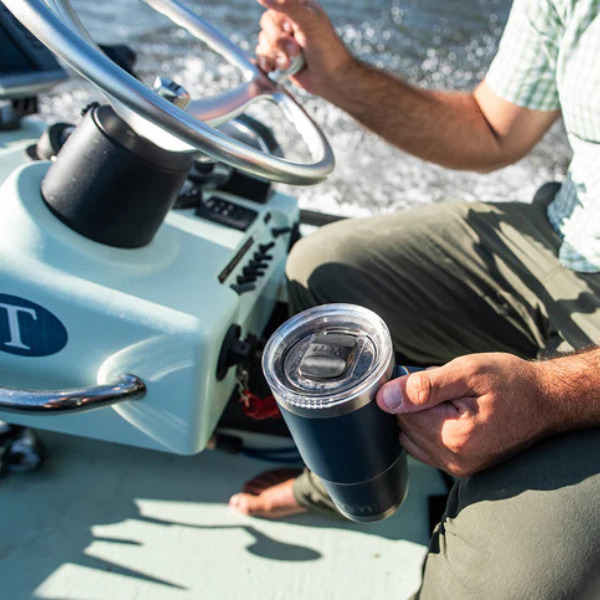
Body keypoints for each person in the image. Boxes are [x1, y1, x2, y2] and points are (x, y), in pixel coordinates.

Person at [229, 0, 600, 596]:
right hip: (566, 231)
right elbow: (492, 128)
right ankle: (345, 482)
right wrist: (337, 74)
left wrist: (552, 396)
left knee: (519, 583)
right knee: (323, 270)